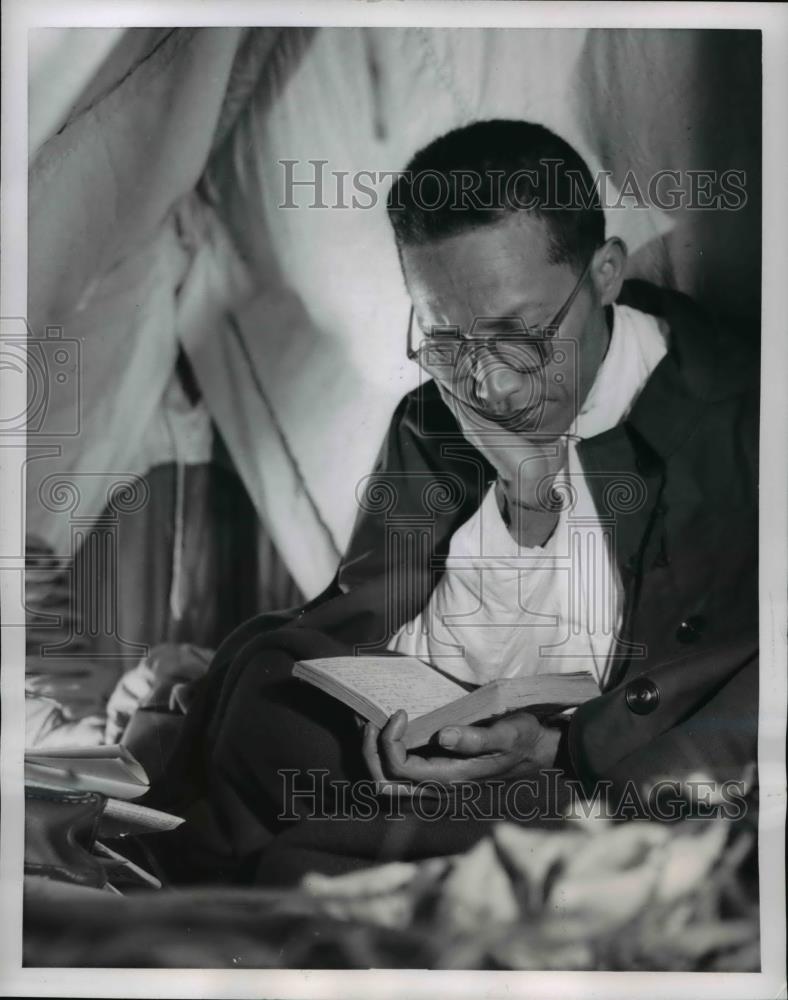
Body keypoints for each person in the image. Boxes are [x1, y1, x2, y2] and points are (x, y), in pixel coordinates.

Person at [144, 120, 759, 886]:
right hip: (480, 750)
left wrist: (556, 752)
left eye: (519, 335)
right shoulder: (435, 418)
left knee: (311, 849)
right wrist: (518, 499)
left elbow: (730, 707)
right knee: (267, 700)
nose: (488, 385)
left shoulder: (742, 421)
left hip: (610, 773)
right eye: (445, 342)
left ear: (604, 274)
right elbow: (391, 629)